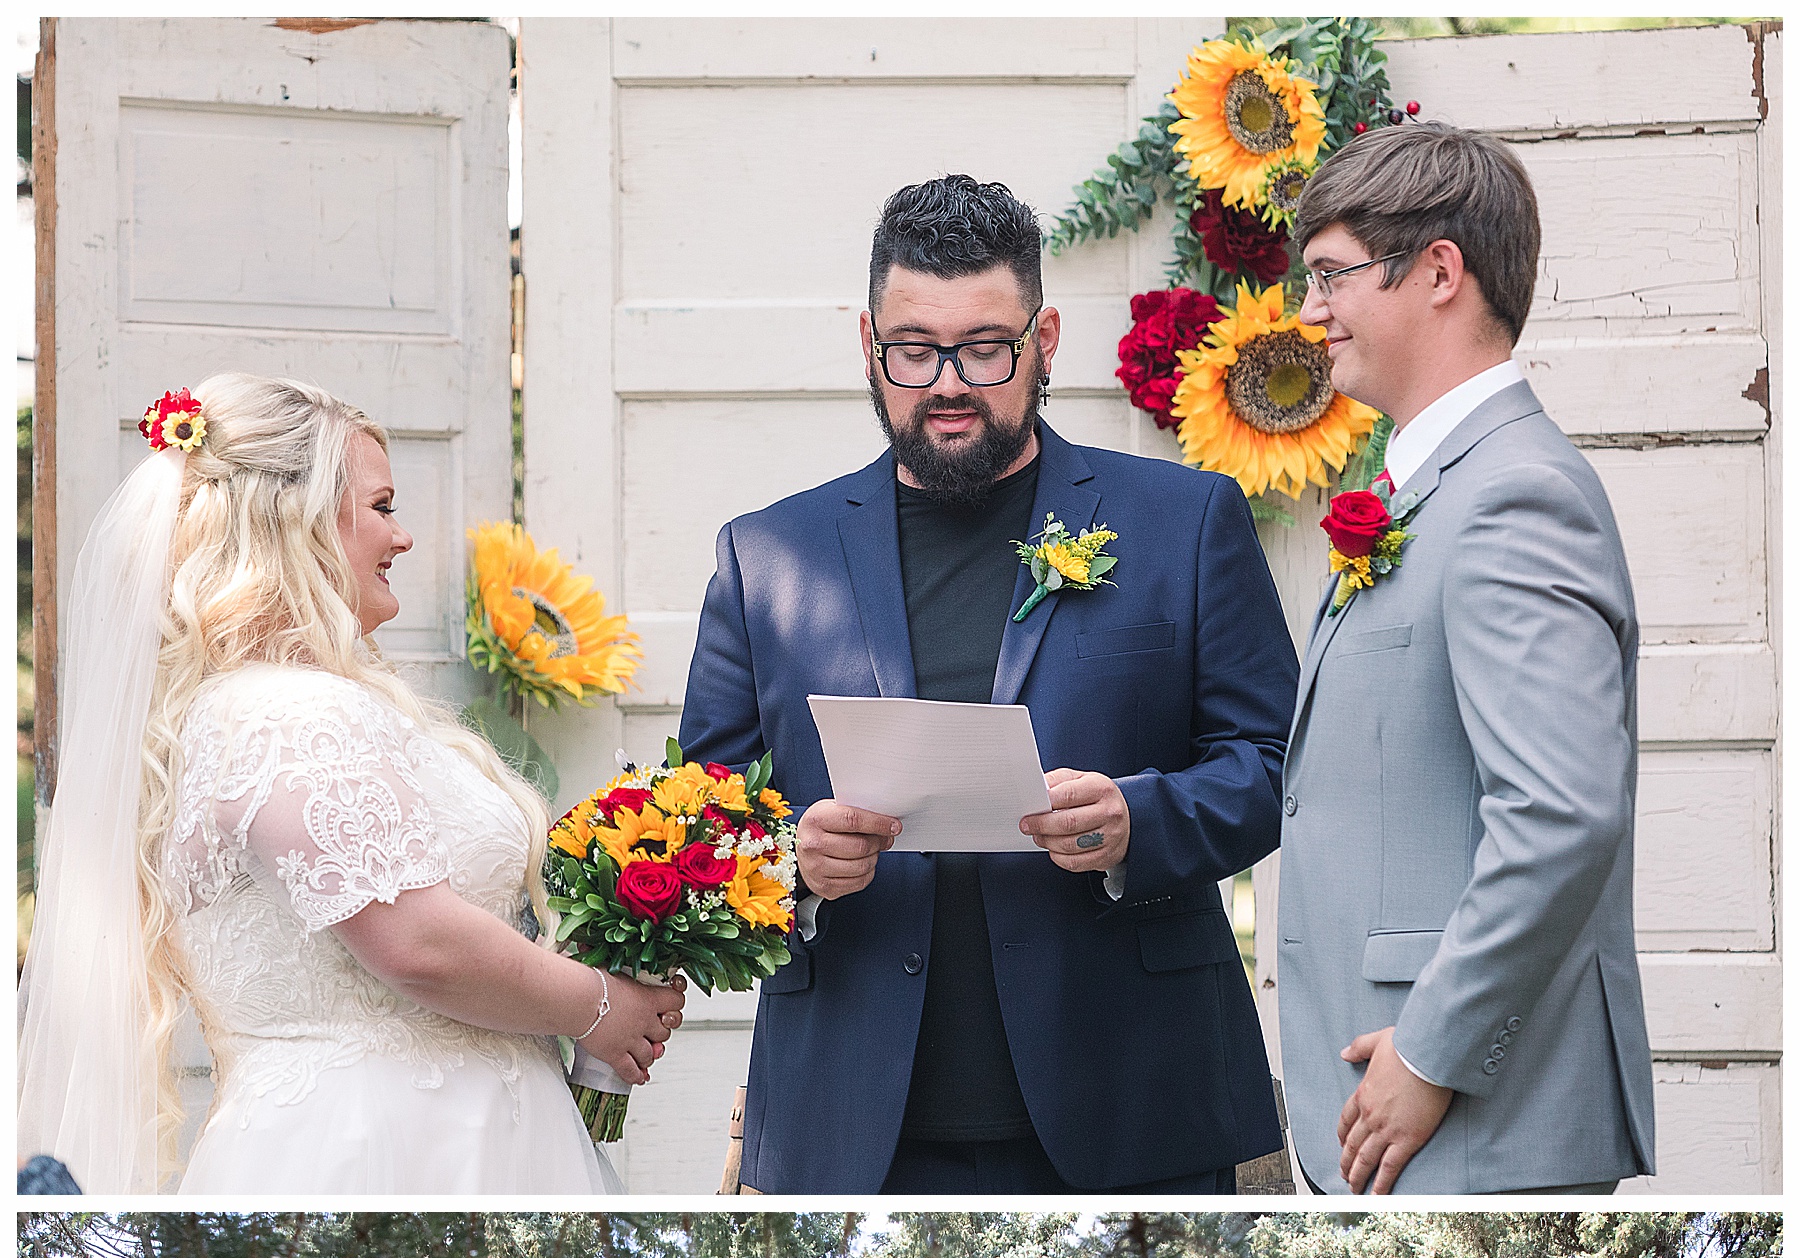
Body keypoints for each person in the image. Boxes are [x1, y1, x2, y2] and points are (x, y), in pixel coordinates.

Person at [679, 176, 1298, 1195]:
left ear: (1045, 336)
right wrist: (790, 860)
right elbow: (696, 827)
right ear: (868, 343)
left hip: (1135, 1100)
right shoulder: (766, 557)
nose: (948, 382)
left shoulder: (1185, 522)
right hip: (851, 1122)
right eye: (913, 350)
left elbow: (1277, 767)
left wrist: (1142, 818)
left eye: (985, 348)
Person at [17, 372, 683, 1196]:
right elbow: (418, 943)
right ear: (290, 521)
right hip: (390, 1150)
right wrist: (595, 1005)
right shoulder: (285, 715)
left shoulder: (247, 711)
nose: (402, 536)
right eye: (381, 506)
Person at [1277, 122, 1655, 1195]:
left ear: (1439, 271)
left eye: (1332, 277)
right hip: (1403, 1126)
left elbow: (1561, 811)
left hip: (1475, 1120)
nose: (1311, 315)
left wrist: (1433, 1048)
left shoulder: (1514, 496)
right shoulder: (1436, 490)